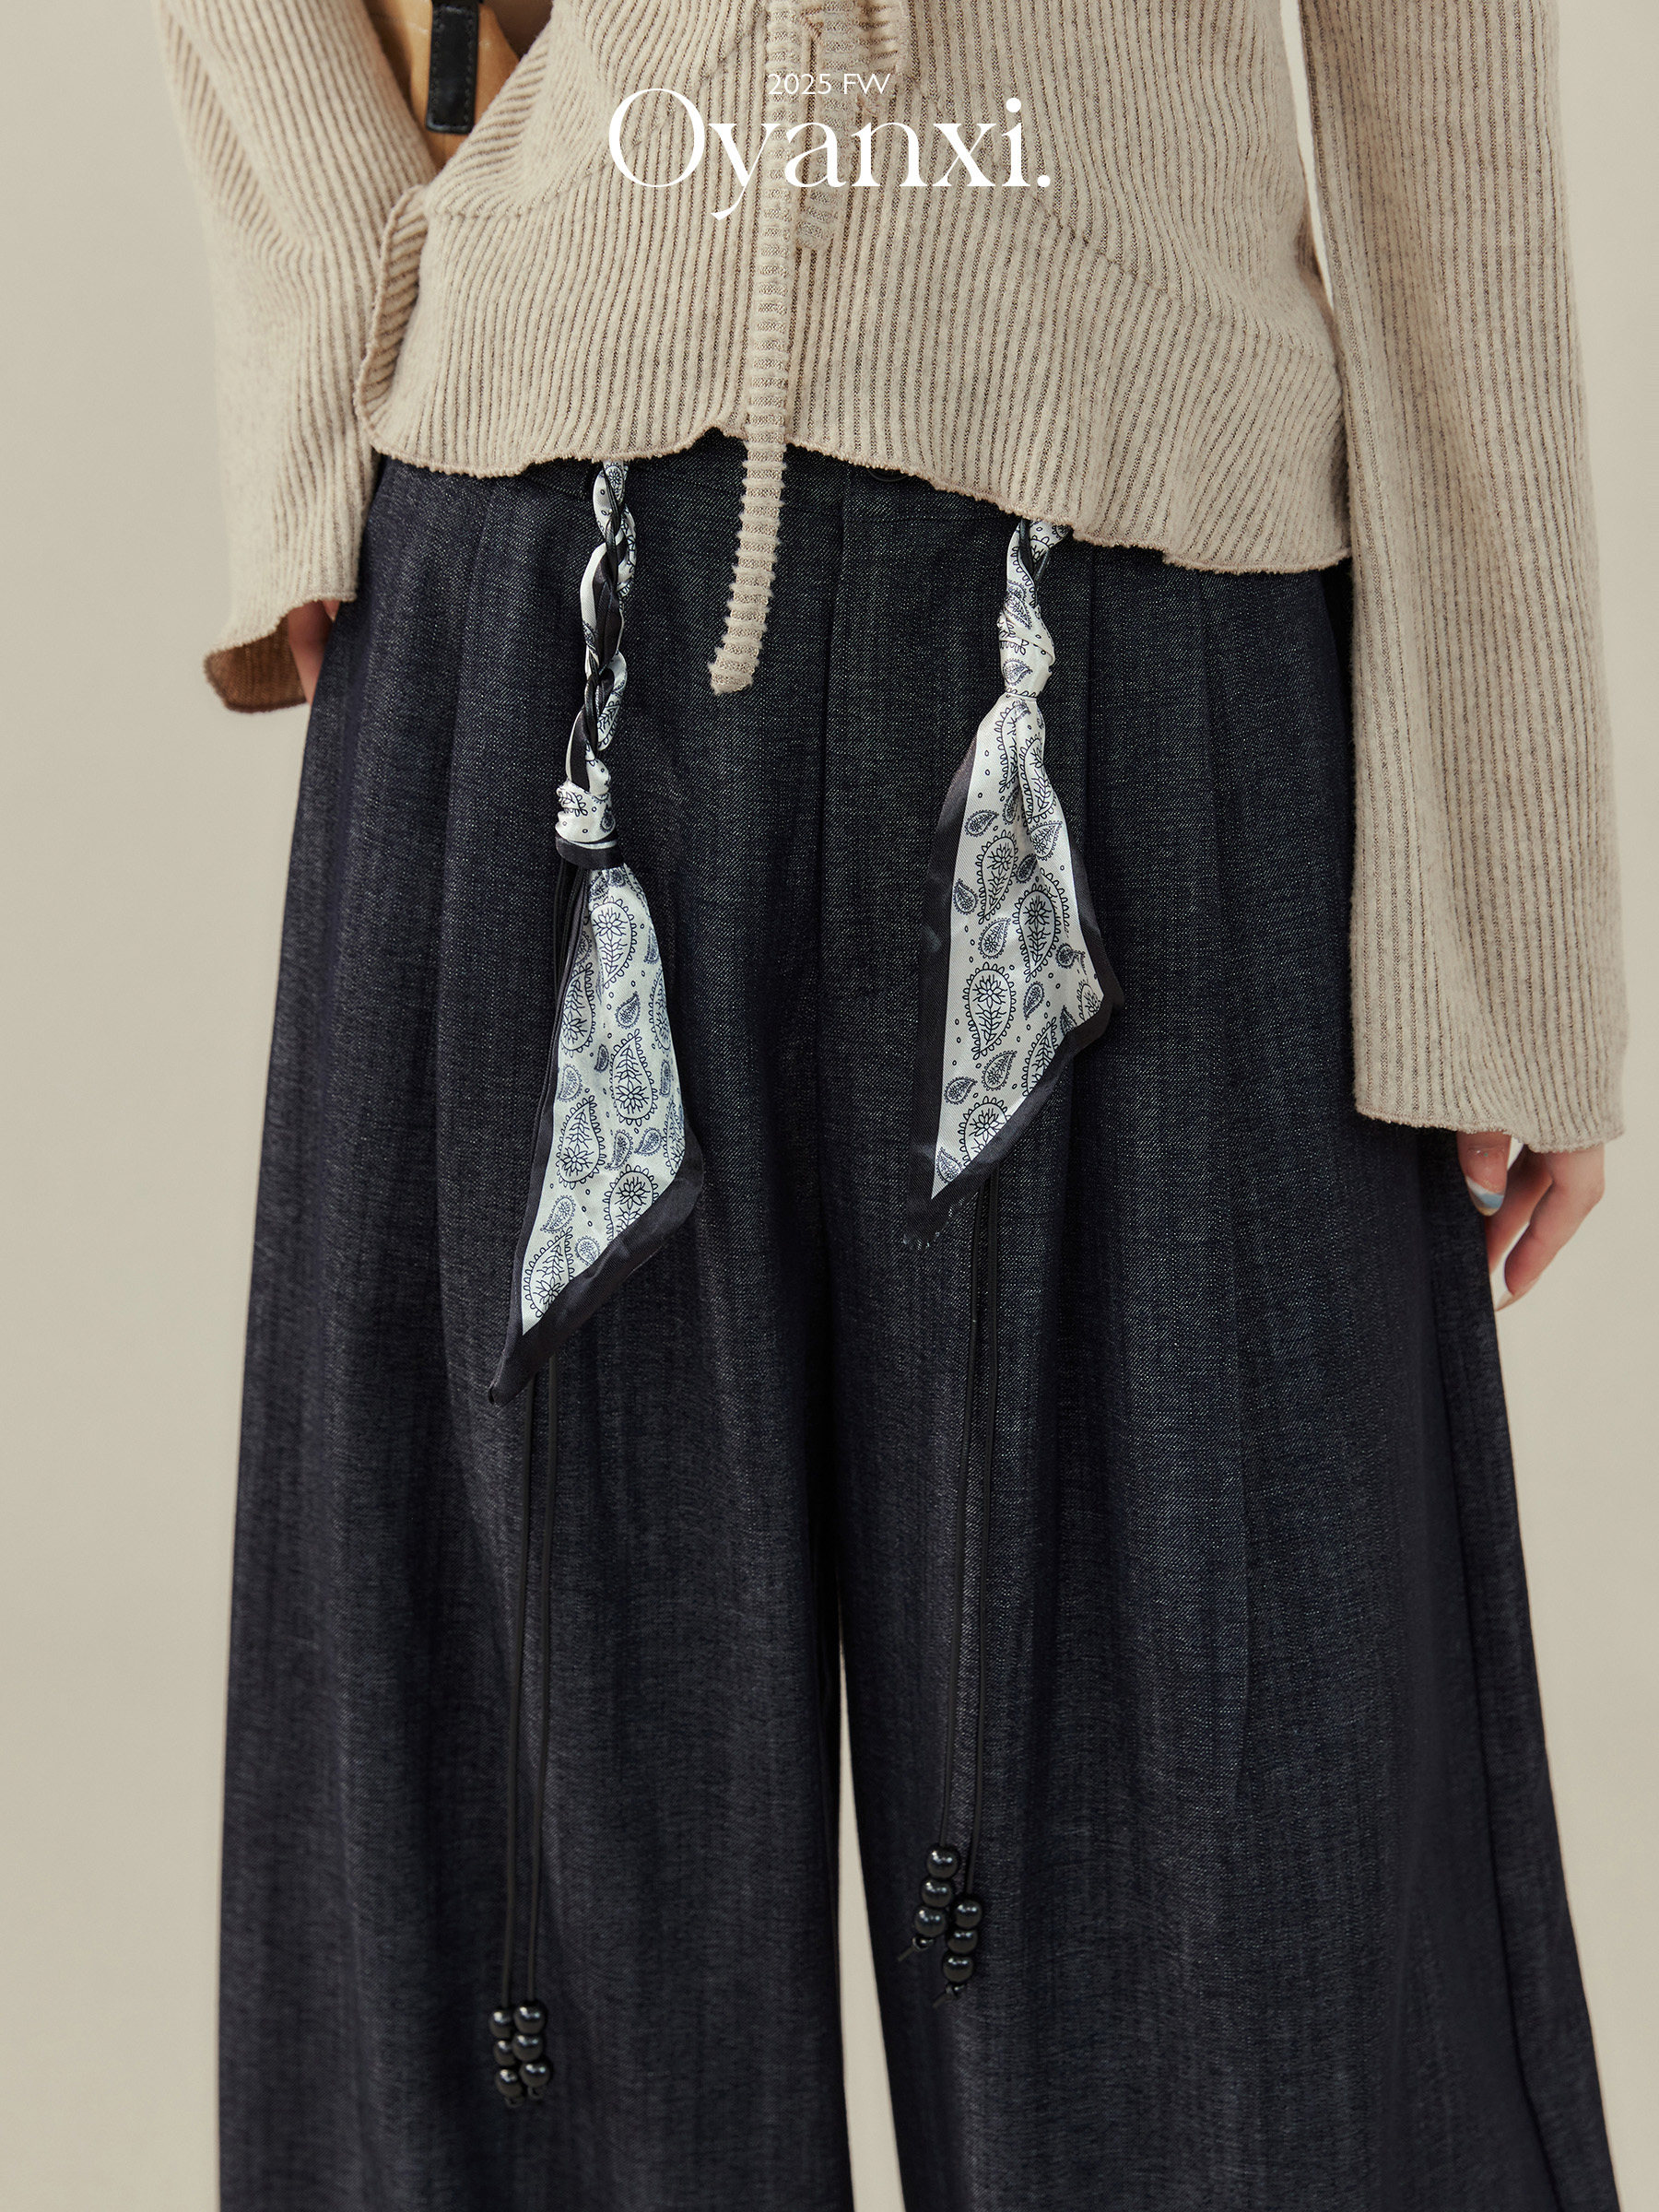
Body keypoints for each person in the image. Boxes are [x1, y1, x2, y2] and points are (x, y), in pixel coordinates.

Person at [159, 1, 1625, 2206]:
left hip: (1155, 624)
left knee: (1251, 1957)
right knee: (515, 1985)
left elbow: (1445, 70)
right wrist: (372, 309)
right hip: (538, 589)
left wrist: (1502, 899)